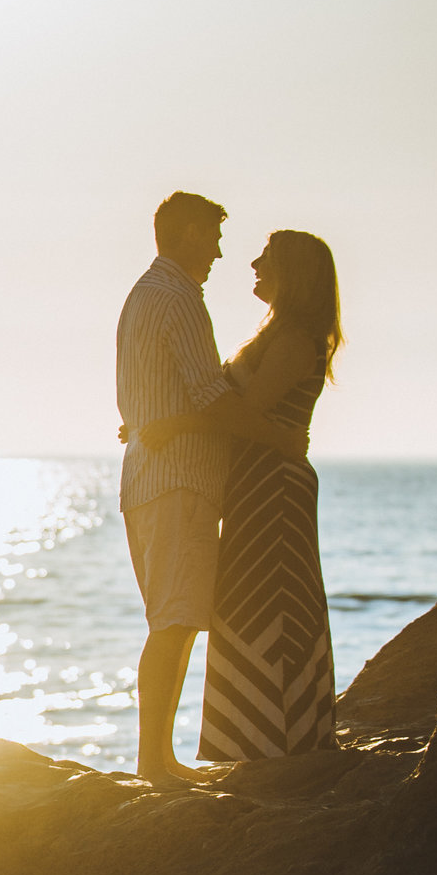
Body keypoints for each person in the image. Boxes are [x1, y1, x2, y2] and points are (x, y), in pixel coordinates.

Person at [113, 192, 307, 786]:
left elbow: (160, 396)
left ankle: (160, 758)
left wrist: (157, 422)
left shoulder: (146, 293)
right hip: (179, 480)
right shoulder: (177, 299)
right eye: (216, 238)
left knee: (176, 619)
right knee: (174, 622)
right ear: (192, 232)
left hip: (153, 475)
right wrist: (280, 440)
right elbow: (209, 397)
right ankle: (154, 763)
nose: (222, 253)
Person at [141, 230, 341, 760]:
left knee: (267, 602)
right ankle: (256, 737)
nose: (253, 264)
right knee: (248, 602)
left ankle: (276, 738)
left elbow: (246, 414)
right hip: (257, 483)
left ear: (292, 274)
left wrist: (172, 424)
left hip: (274, 484)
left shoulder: (295, 339)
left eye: (266, 259)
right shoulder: (277, 333)